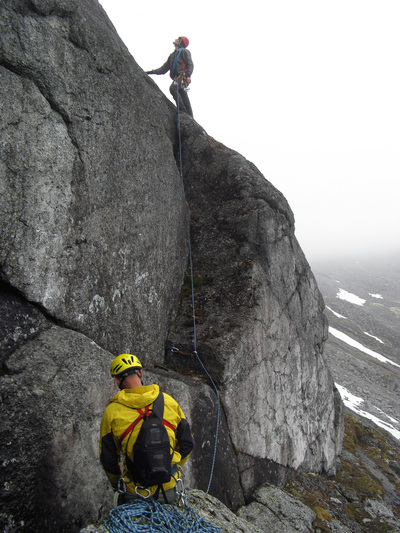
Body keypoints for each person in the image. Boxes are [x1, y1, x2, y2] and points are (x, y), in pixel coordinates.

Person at [99, 353, 194, 505]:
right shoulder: (168, 401)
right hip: (170, 490)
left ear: (117, 380)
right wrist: (171, 468)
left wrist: (117, 484)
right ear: (140, 373)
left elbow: (108, 459)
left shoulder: (112, 412)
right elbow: (187, 443)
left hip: (135, 493)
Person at [146, 36, 194, 117]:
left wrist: (188, 75)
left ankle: (182, 110)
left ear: (181, 42)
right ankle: (189, 116)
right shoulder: (172, 56)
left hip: (183, 76)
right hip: (177, 78)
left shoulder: (184, 51)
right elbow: (163, 69)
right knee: (183, 97)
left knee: (173, 88)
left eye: (178, 39)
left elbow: (190, 64)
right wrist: (150, 72)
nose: (175, 39)